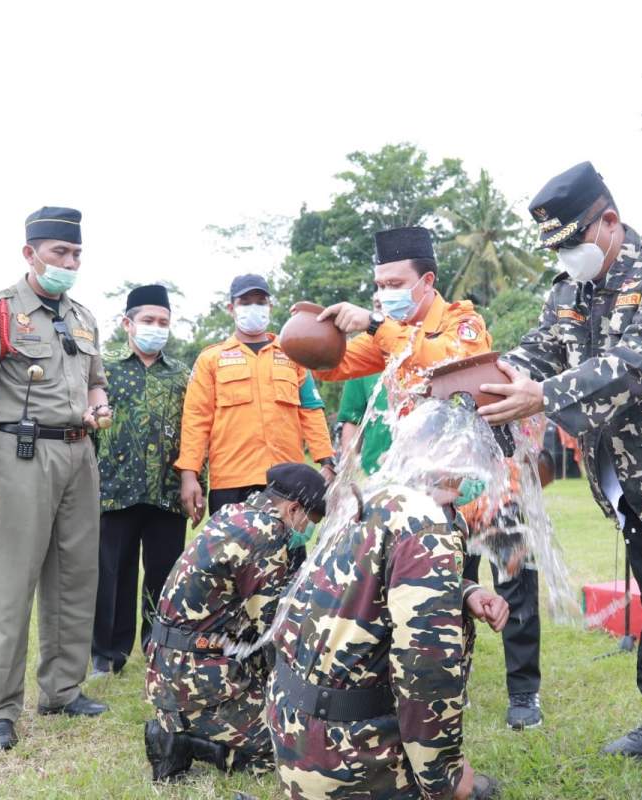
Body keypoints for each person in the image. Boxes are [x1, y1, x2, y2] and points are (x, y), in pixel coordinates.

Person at [478, 161, 642, 799]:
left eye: (571, 244)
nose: (567, 259)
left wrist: (542, 396)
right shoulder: (570, 292)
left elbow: (639, 362)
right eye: (557, 250)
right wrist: (495, 375)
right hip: (629, 486)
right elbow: (541, 346)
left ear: (610, 223)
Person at [313, 226, 545, 731]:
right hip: (432, 490)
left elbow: (445, 363)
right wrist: (311, 339)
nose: (384, 294)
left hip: (487, 482)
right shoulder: (391, 338)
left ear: (428, 281)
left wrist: (374, 321)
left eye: (395, 283)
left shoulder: (463, 322)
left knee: (514, 583)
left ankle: (524, 691)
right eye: (378, 286)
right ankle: (446, 686)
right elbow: (336, 367)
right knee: (446, 586)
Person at [266, 400, 509, 800]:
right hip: (344, 763)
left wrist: (463, 591)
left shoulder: (369, 499)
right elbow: (426, 673)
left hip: (296, 735)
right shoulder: (425, 523)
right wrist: (444, 778)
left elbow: (364, 590)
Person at [0, 206, 112, 752]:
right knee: (10, 581)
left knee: (75, 577)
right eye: (59, 253)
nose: (69, 263)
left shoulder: (85, 317)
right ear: (30, 253)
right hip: (19, 454)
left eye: (75, 255)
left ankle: (63, 690)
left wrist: (100, 407)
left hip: (77, 454)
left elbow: (95, 383)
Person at [144, 462, 327, 782]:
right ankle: (184, 741)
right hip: (193, 676)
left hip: (173, 663)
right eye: (309, 522)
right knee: (291, 742)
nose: (307, 532)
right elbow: (276, 632)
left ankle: (183, 724)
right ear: (293, 508)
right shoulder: (269, 535)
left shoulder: (236, 513)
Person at [92, 285, 195, 678]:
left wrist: (194, 480)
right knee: (110, 572)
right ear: (127, 324)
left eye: (163, 322)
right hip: (114, 489)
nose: (155, 328)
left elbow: (196, 429)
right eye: (148, 321)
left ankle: (159, 647)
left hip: (167, 492)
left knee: (164, 574)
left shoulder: (183, 375)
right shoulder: (104, 370)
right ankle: (107, 653)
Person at [176, 273, 336, 523]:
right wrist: (189, 474)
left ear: (270, 307)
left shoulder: (293, 354)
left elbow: (311, 409)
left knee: (287, 560)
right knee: (232, 558)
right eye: (245, 301)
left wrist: (326, 460)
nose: (254, 307)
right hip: (232, 480)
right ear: (231, 308)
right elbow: (196, 419)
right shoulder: (211, 359)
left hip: (287, 481)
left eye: (260, 301)